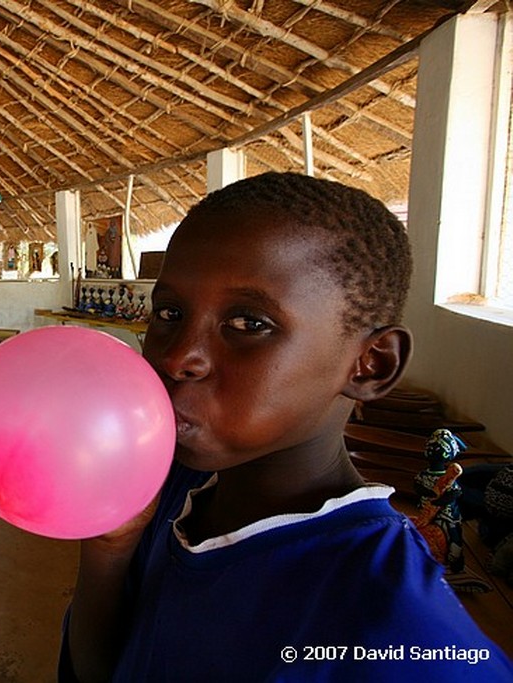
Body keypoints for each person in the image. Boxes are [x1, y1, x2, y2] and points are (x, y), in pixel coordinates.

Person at [60, 172, 512, 681]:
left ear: (371, 365)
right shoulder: (169, 488)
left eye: (250, 324)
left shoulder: (400, 635)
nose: (179, 356)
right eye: (169, 311)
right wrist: (108, 549)